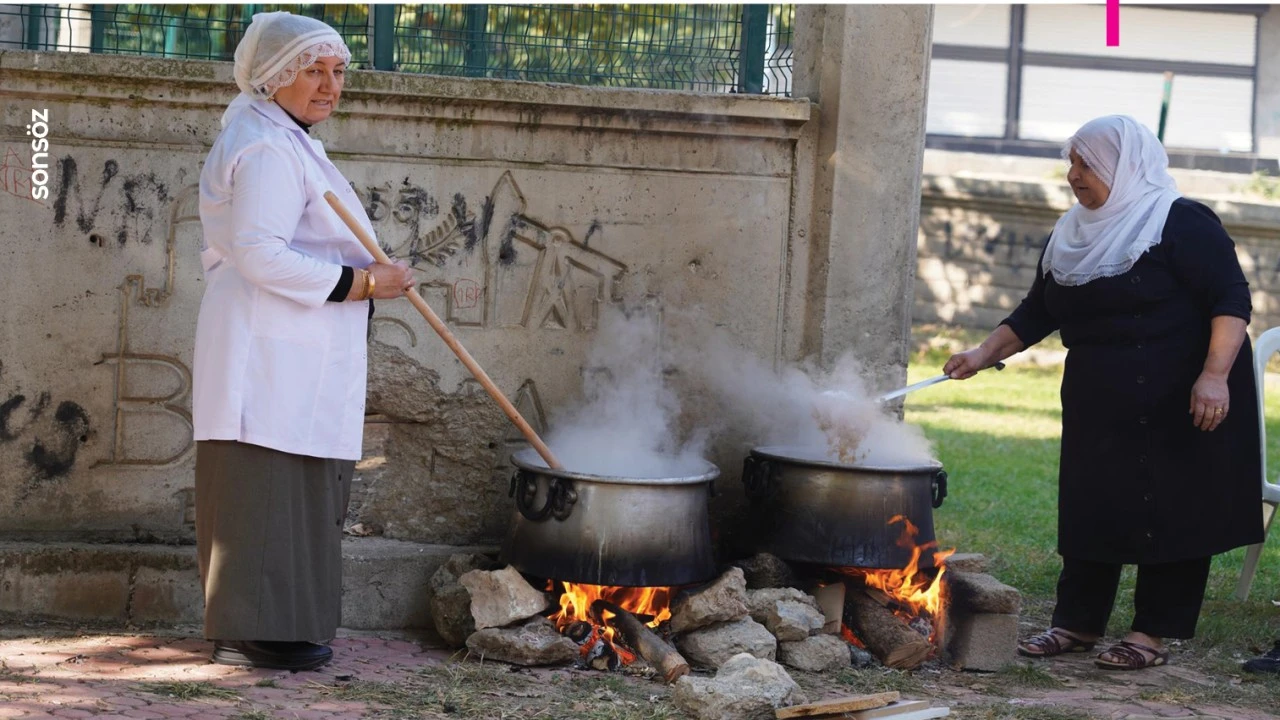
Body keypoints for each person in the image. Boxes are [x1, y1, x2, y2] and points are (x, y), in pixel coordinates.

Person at [944, 115, 1263, 670]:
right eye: (1072, 162)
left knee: (1173, 507)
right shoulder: (1071, 233)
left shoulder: (1181, 221)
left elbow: (1231, 301)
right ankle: (1076, 623)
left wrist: (1214, 377)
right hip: (1099, 398)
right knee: (1094, 503)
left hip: (1181, 394)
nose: (1073, 175)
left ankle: (1151, 635)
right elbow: (1037, 310)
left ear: (1125, 166)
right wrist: (981, 354)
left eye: (1086, 163)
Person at [193, 11, 415, 671]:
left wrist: (368, 280)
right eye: (311, 70)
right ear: (273, 76)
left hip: (288, 346)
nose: (328, 85)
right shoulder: (263, 144)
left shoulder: (285, 137)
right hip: (263, 346)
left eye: (337, 71)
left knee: (297, 486)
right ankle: (250, 628)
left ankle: (284, 624)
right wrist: (361, 283)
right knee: (261, 485)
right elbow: (260, 253)